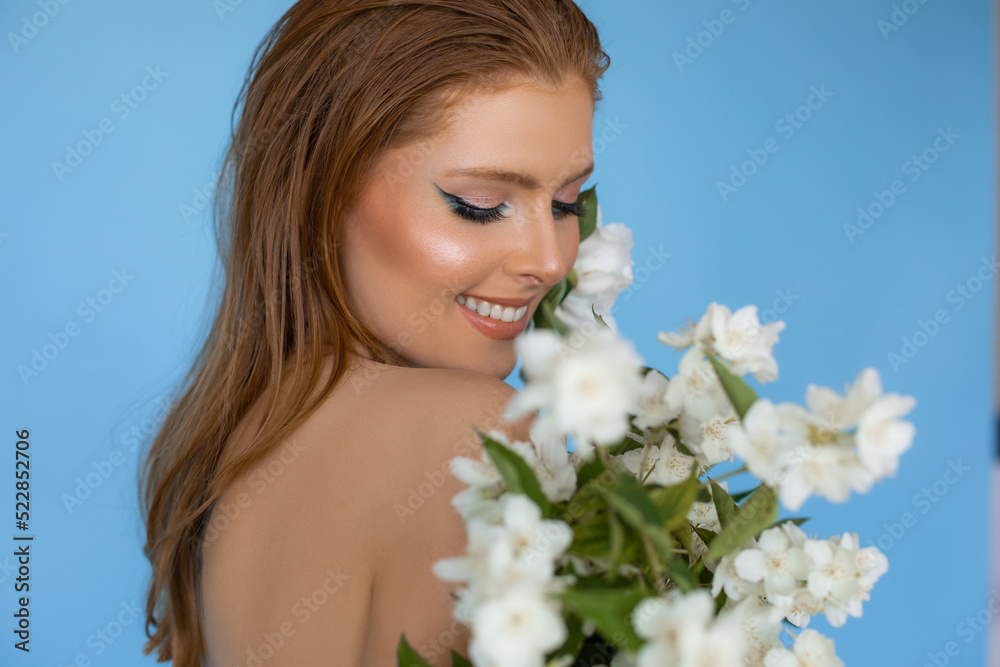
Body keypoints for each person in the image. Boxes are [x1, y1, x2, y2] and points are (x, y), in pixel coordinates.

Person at [138, 1, 610, 665]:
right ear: (326, 187)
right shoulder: (474, 432)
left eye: (564, 203)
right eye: (480, 205)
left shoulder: (247, 441)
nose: (551, 259)